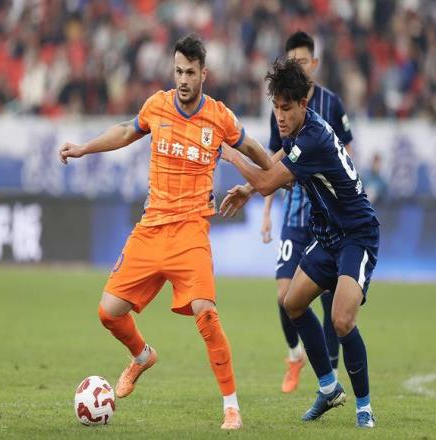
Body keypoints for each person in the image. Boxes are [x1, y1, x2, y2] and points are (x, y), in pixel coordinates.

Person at [59, 33, 272, 430]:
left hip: (191, 232)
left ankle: (231, 406)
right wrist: (84, 148)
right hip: (152, 227)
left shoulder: (220, 117)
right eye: (178, 71)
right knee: (108, 312)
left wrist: (273, 177)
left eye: (190, 72)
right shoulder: (157, 105)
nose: (183, 79)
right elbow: (126, 130)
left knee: (206, 313)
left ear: (204, 74)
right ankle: (142, 356)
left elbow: (257, 152)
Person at [220, 59, 379, 428]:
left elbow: (267, 182)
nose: (280, 116)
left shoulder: (313, 139)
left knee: (341, 320)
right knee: (292, 303)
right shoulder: (300, 130)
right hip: (328, 235)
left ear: (303, 104)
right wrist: (248, 187)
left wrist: (231, 154)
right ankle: (328, 388)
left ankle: (364, 408)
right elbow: (276, 163)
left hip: (357, 235)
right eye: (275, 107)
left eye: (286, 108)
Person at [261, 31, 353, 393]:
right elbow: (274, 161)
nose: (297, 67)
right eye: (292, 62)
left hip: (327, 214)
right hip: (295, 211)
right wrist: (267, 212)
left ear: (313, 64)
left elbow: (346, 155)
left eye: (302, 62)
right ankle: (295, 354)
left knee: (330, 299)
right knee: (284, 294)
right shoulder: (281, 107)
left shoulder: (331, 104)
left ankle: (329, 374)